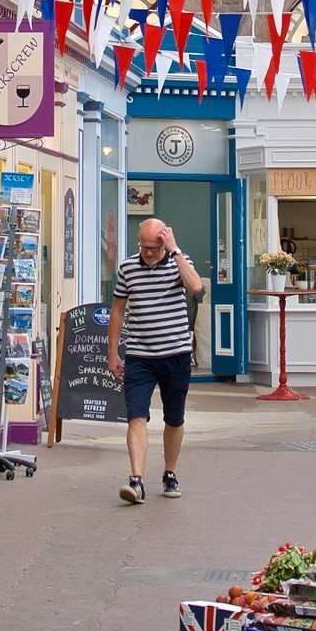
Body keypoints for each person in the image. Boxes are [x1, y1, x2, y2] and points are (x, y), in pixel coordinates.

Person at [108, 216, 204, 504]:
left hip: (175, 353)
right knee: (136, 416)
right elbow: (117, 310)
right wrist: (113, 352)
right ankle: (136, 481)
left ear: (164, 243)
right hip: (140, 355)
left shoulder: (179, 261)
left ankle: (170, 472)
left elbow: (196, 287)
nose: (148, 253)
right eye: (144, 247)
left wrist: (174, 251)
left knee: (174, 418)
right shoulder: (128, 267)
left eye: (154, 248)